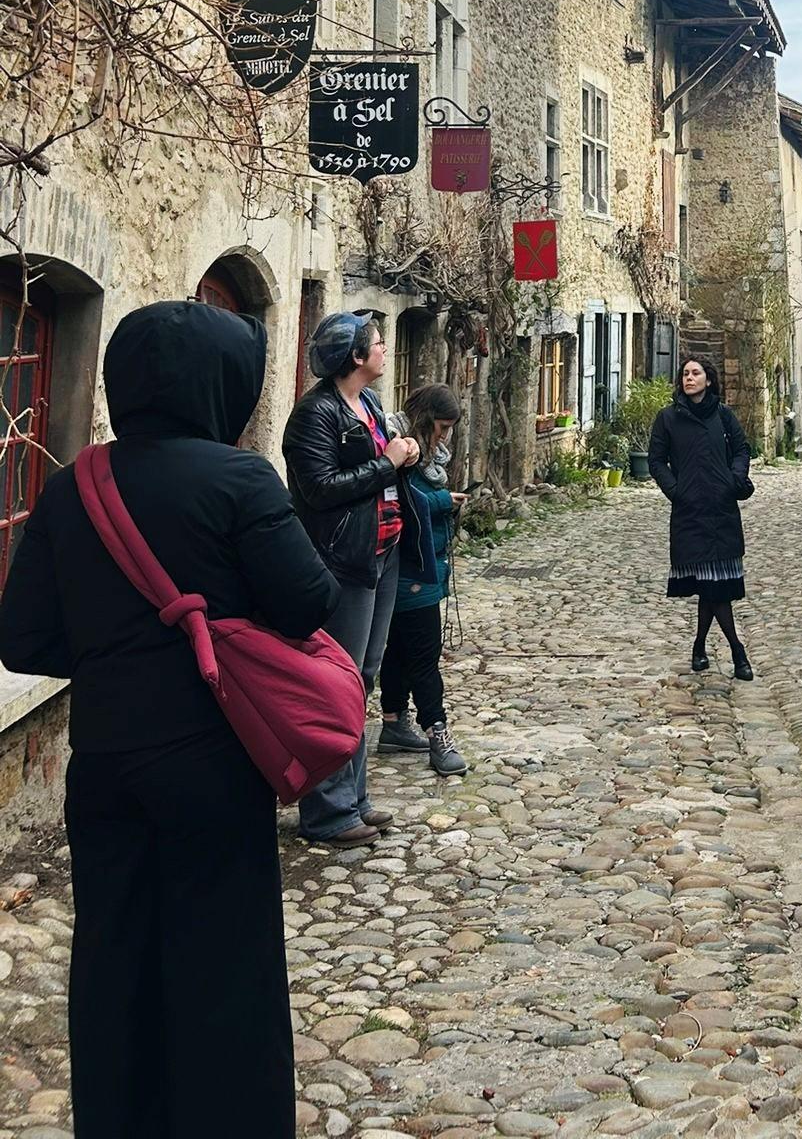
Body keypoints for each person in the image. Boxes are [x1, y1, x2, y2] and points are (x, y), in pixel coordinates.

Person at [0, 299, 337, 1139]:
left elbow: (24, 637)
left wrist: (118, 655)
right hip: (214, 763)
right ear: (219, 385)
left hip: (107, 762)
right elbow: (306, 604)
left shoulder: (76, 484)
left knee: (114, 952)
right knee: (225, 959)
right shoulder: (239, 478)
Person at [284, 311, 420, 845]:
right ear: (357, 358)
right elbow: (319, 488)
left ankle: (354, 798)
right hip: (342, 559)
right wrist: (388, 463)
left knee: (362, 676)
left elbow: (376, 468)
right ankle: (327, 810)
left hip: (380, 554)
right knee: (334, 680)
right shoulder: (314, 414)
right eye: (378, 344)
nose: (385, 350)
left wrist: (401, 458)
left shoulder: (366, 403)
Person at [378, 384, 468, 777]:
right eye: (442, 427)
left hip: (417, 561)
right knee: (425, 654)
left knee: (399, 648)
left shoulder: (424, 452)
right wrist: (445, 501)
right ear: (427, 419)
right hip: (410, 563)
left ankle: (394, 722)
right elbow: (404, 498)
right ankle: (437, 733)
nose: (445, 436)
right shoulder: (401, 448)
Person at [649, 354, 755, 680]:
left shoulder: (723, 416)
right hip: (690, 513)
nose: (689, 378)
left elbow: (741, 449)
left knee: (714, 586)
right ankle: (738, 652)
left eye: (696, 373)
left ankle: (699, 647)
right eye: (685, 374)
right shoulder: (668, 418)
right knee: (713, 586)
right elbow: (656, 461)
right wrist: (677, 491)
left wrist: (734, 479)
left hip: (722, 510)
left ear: (708, 379)